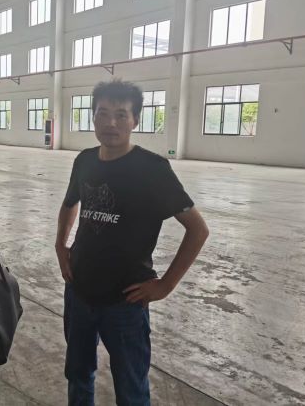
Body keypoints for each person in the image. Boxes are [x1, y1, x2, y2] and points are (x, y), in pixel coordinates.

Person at [55, 79, 209, 406]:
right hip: (79, 291)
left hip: (126, 300)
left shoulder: (152, 169)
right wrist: (60, 246)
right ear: (93, 117)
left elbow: (198, 230)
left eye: (121, 115)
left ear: (135, 120)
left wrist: (166, 284)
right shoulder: (84, 160)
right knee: (78, 374)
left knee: (131, 387)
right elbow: (70, 203)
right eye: (103, 113)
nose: (111, 123)